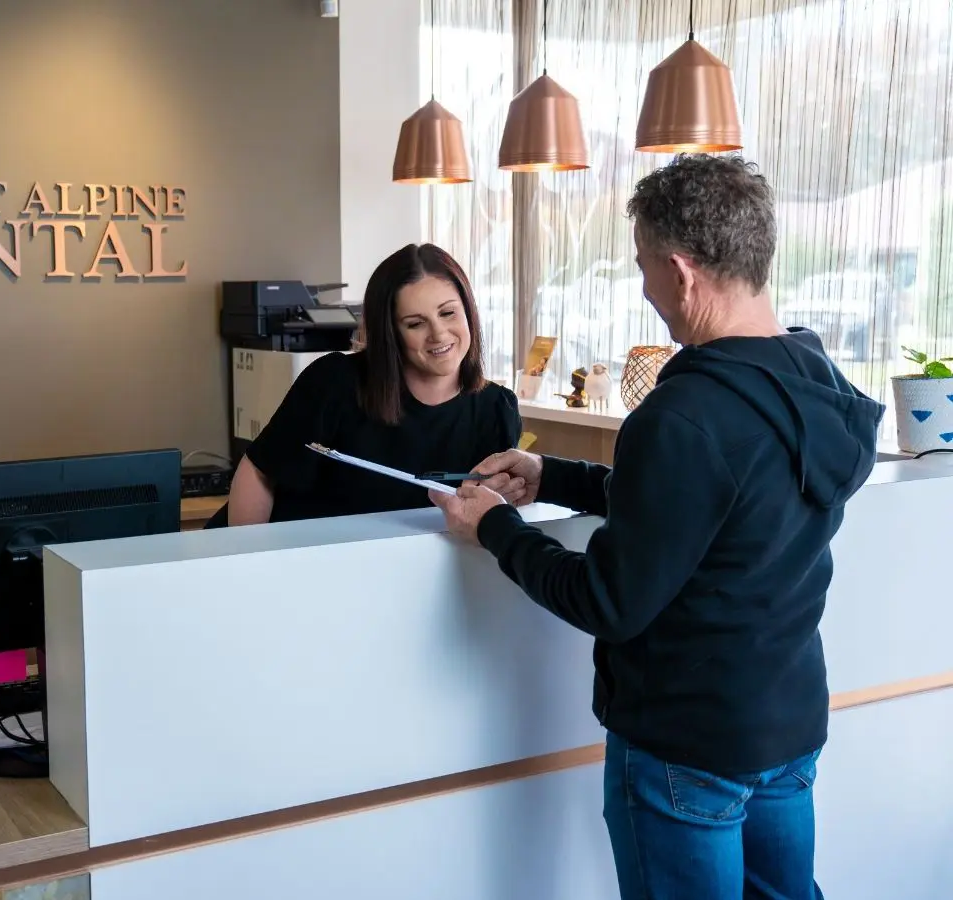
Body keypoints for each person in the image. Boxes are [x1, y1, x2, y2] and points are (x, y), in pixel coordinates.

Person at [430, 155, 885, 899]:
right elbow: (716, 508)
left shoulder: (682, 417)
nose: (644, 288)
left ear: (680, 271)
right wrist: (557, 476)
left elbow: (609, 602)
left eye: (643, 267)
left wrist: (498, 530)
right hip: (786, 723)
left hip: (687, 744)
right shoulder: (817, 383)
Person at [224, 242, 523, 526]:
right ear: (390, 334)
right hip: (305, 557)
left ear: (468, 311)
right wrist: (246, 563)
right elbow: (259, 472)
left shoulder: (497, 408)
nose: (439, 334)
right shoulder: (334, 381)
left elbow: (487, 515)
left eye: (448, 313)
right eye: (415, 323)